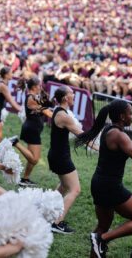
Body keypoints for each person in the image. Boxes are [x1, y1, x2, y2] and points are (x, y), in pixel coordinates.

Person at [75, 99, 132, 258]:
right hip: (110, 187)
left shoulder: (111, 129)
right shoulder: (118, 135)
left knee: (102, 225)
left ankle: (99, 240)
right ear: (122, 116)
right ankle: (103, 239)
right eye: (130, 113)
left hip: (99, 184)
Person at [47, 86, 84, 234]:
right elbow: (82, 135)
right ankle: (56, 223)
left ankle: (48, 211)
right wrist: (101, 145)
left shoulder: (59, 111)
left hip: (57, 155)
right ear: (65, 98)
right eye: (71, 93)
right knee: (75, 190)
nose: (74, 95)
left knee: (63, 186)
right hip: (61, 157)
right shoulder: (64, 116)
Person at [11, 76, 53, 187]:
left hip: (33, 129)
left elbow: (45, 108)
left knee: (32, 157)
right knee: (34, 159)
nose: (41, 87)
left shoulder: (34, 96)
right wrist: (59, 115)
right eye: (40, 85)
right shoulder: (31, 98)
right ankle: (15, 142)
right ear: (34, 87)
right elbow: (47, 112)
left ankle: (25, 179)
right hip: (31, 129)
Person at [0, 67, 22, 147]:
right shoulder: (3, 86)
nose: (12, 74)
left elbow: (6, 98)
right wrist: (21, 110)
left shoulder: (0, 82)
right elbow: (11, 101)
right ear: (6, 75)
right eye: (11, 73)